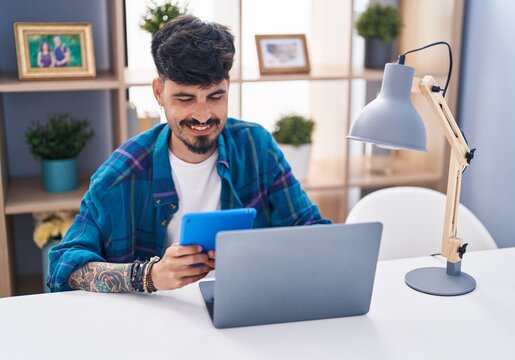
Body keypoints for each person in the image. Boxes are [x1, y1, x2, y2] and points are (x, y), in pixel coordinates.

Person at [47, 15, 331, 294]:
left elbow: (312, 231)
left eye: (215, 97)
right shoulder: (121, 174)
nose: (203, 115)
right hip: (155, 325)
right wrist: (149, 276)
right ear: (159, 93)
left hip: (244, 313)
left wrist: (257, 255)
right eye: (185, 99)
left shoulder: (256, 147)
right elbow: (63, 267)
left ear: (228, 86)